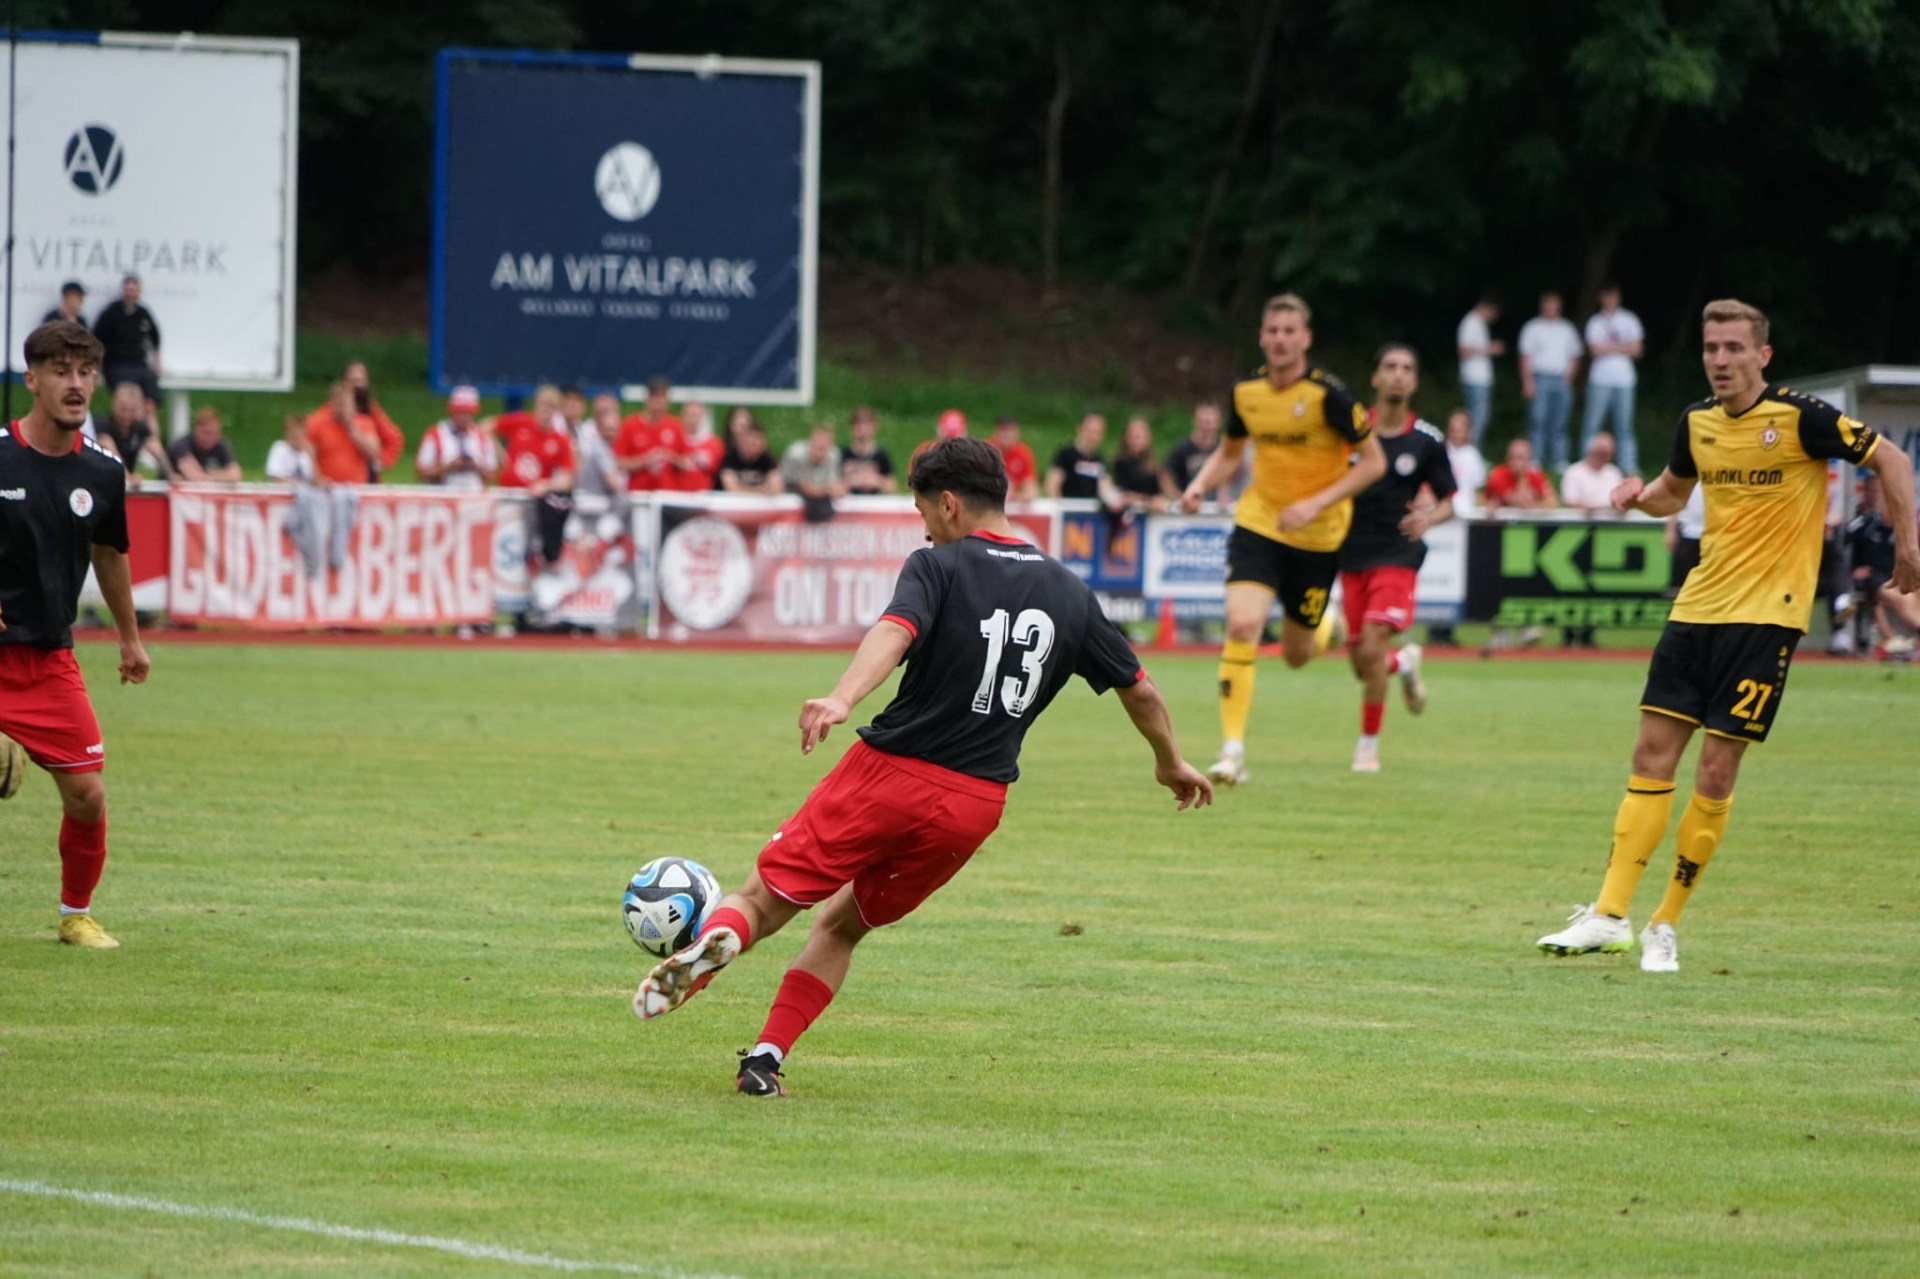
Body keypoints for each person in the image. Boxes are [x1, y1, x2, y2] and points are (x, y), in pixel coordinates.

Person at [630, 436, 1213, 1095]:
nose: (926, 528)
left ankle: (714, 948)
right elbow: (1141, 690)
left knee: (763, 901)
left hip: (890, 773)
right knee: (842, 926)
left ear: (949, 503)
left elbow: (895, 629)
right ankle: (764, 1059)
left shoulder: (939, 565)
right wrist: (1170, 762)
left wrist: (843, 697)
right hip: (973, 806)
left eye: (924, 512)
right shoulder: (1070, 592)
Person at [1536, 298, 1918, 973]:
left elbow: (1890, 458)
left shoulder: (1800, 417)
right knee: (1650, 754)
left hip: (1767, 619)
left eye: (1734, 348)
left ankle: (1664, 924)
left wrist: (1908, 544)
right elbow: (1671, 493)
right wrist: (1636, 496)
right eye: (1712, 348)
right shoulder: (1697, 422)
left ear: (1761, 355)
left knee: (1715, 769)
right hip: (1696, 610)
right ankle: (1609, 915)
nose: (1720, 359)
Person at [1176, 293, 1386, 786]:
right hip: (1259, 523)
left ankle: (1327, 626)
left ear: (1305, 339)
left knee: (1296, 655)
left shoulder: (1331, 396)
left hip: (1317, 537)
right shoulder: (1246, 392)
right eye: (1272, 330)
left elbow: (1374, 463)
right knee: (1242, 624)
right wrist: (1200, 484)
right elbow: (1230, 453)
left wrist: (1316, 503)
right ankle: (1231, 750)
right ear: (1261, 337)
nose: (1279, 339)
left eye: (1289, 331)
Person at [0, 320, 151, 949]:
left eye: (86, 372)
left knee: (88, 794)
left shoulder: (103, 470)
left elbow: (110, 553)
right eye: (60, 371)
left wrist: (129, 638)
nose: (76, 383)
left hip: (48, 658)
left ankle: (74, 915)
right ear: (31, 380)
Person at [1336, 345, 1455, 772]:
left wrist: (1429, 517)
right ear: (1375, 378)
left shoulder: (1426, 440)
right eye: (1390, 367)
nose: (1398, 375)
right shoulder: (1350, 431)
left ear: (1415, 382)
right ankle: (1402, 662)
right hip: (1350, 555)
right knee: (1361, 663)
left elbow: (1449, 501)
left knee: (1371, 645)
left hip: (1397, 554)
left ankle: (1367, 747)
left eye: (1407, 369)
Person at [495, 386, 576, 567]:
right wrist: (500, 455)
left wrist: (546, 484)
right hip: (505, 496)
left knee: (549, 510)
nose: (545, 411)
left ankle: (537, 553)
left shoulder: (560, 440)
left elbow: (568, 478)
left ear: (556, 411)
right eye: (542, 405)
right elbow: (485, 428)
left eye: (550, 407)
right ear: (536, 405)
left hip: (531, 500)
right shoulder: (520, 422)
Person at [1581, 285, 1644, 476]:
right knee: (1592, 423)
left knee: (1624, 425)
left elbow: (1637, 350)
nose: (1610, 299)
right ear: (1601, 298)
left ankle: (1628, 464)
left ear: (1618, 297)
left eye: (1613, 296)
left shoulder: (1629, 319)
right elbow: (1594, 350)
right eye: (1607, 296)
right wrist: (1623, 346)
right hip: (1600, 379)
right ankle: (1586, 462)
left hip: (1625, 380)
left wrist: (1608, 347)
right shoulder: (1595, 321)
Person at [1517, 291, 1583, 473]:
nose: (1551, 308)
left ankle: (1559, 459)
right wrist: (1527, 381)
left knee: (1560, 421)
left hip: (1561, 379)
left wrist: (1569, 377)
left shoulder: (1566, 329)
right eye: (1548, 305)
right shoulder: (1532, 328)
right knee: (1537, 420)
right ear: (1542, 306)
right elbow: (1525, 356)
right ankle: (1535, 459)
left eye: (1555, 305)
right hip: (1540, 378)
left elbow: (1575, 355)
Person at [91, 275, 162, 406]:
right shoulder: (111, 312)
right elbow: (96, 338)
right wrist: (97, 366)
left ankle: (147, 418)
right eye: (128, 290)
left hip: (139, 364)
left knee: (150, 400)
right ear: (123, 290)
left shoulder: (143, 313)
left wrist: (157, 362)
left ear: (139, 291)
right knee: (129, 398)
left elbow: (155, 337)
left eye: (133, 290)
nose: (130, 293)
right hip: (116, 364)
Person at [414, 386, 501, 491]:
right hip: (443, 493)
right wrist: (447, 466)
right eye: (460, 413)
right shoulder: (435, 435)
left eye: (468, 413)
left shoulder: (482, 437)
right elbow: (421, 473)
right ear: (452, 412)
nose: (464, 418)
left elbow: (492, 473)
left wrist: (474, 467)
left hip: (474, 494)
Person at [306, 380, 386, 486]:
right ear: (331, 404)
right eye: (340, 404)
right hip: (326, 487)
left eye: (347, 404)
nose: (343, 409)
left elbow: (373, 451)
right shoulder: (316, 423)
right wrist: (317, 478)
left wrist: (352, 429)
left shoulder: (364, 423)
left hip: (356, 488)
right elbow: (307, 456)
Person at [615, 377, 686, 492]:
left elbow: (685, 463)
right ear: (646, 399)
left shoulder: (675, 426)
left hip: (669, 493)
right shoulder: (629, 425)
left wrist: (669, 457)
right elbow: (618, 463)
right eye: (655, 397)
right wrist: (646, 460)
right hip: (638, 493)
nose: (658, 401)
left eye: (662, 397)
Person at [1046, 413, 1124, 512]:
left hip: (1091, 512)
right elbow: (1053, 482)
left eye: (1096, 432)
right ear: (1079, 429)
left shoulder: (1099, 460)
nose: (1092, 436)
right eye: (1089, 431)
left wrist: (1114, 500)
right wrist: (1059, 507)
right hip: (1069, 509)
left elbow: (1104, 486)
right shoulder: (1066, 454)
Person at [94, 382, 171, 484]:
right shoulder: (102, 425)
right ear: (113, 404)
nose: (126, 415)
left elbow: (158, 452)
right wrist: (128, 477)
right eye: (123, 409)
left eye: (132, 410)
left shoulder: (140, 427)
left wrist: (171, 474)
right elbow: (111, 453)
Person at [341, 362, 405, 480]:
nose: (356, 386)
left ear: (366, 383)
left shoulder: (372, 411)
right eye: (352, 381)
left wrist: (381, 462)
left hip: (366, 477)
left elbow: (394, 439)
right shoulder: (333, 410)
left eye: (359, 381)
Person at [1456, 294, 1503, 447]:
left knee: (1479, 418)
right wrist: (1490, 349)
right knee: (1476, 420)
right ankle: (1471, 450)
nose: (1492, 317)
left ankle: (1471, 450)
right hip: (1474, 378)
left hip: (1480, 379)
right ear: (1486, 308)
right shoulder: (1471, 322)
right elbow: (1463, 350)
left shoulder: (1479, 323)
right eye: (1493, 313)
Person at [1159, 401, 1224, 506]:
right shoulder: (1182, 448)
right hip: (1189, 508)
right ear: (1195, 421)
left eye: (1210, 421)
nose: (1207, 426)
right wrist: (1178, 498)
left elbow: (1233, 476)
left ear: (1218, 422)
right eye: (1203, 421)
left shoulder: (1223, 448)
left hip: (1217, 508)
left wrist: (1226, 494)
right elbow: (1164, 476)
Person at [570, 393, 627, 503]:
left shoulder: (605, 447)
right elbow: (614, 485)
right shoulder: (599, 447)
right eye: (608, 430)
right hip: (592, 501)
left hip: (591, 500)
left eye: (613, 430)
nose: (611, 434)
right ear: (598, 427)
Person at [782, 424, 847, 519]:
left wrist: (838, 489)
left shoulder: (833, 455)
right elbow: (802, 487)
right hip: (793, 495)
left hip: (821, 495)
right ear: (810, 442)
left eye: (823, 448)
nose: (818, 452)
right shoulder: (795, 455)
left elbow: (835, 484)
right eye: (816, 446)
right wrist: (827, 489)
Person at [166, 406, 242, 483]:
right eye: (206, 432)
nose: (210, 437)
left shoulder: (221, 445)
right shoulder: (182, 445)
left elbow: (235, 475)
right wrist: (219, 476)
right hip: (165, 488)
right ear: (196, 430)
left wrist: (211, 477)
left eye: (214, 433)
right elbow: (193, 476)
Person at [1484, 437, 1558, 511]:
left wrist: (1535, 506)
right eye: (1511, 457)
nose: (1514, 462)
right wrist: (1522, 476)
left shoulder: (1536, 474)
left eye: (1519, 457)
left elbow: (1553, 502)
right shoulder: (1497, 475)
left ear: (1529, 459)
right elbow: (1519, 503)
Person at [1110, 417, 1165, 512]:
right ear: (1126, 438)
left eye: (1141, 437)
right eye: (1135, 437)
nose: (1138, 441)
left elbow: (1157, 492)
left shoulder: (1152, 465)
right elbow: (1121, 493)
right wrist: (1147, 501)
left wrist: (1157, 500)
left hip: (1150, 512)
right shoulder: (1121, 463)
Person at [1559, 431, 1624, 512]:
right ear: (1592, 451)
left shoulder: (1614, 472)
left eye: (1609, 453)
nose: (1605, 457)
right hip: (1582, 517)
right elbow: (1571, 502)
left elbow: (1620, 502)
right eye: (1602, 453)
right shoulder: (1573, 472)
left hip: (1611, 517)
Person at [840, 407, 896, 495]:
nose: (862, 429)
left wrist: (877, 480)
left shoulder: (881, 456)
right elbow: (831, 483)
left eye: (866, 425)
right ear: (851, 428)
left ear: (874, 427)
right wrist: (851, 481)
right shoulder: (842, 454)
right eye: (858, 425)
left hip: (871, 502)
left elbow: (891, 487)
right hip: (847, 501)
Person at [718, 420, 784, 495]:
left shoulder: (767, 458)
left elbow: (776, 488)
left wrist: (744, 489)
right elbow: (731, 488)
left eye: (760, 439)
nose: (758, 444)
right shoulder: (731, 457)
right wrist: (763, 490)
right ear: (742, 441)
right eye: (753, 442)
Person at [673, 401, 724, 492]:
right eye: (689, 415)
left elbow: (718, 474)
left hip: (704, 495)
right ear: (682, 416)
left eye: (696, 415)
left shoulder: (714, 444)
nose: (693, 420)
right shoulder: (673, 441)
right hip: (677, 494)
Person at [988, 415, 1039, 501]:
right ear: (995, 432)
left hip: (1013, 502)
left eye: (1010, 431)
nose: (1007, 435)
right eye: (1003, 430)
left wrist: (1016, 497)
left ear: (1017, 433)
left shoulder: (1023, 453)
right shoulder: (986, 452)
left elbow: (1031, 489)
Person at [908, 408, 968, 473]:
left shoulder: (971, 458)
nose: (950, 444)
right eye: (947, 439)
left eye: (955, 441)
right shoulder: (923, 453)